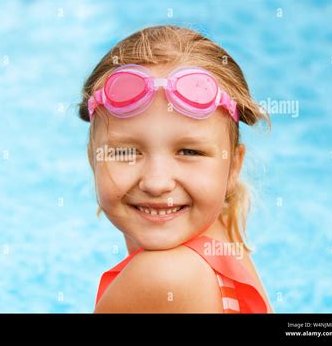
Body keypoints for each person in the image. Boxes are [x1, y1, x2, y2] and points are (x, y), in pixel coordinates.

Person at [78, 25, 272, 313]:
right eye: (126, 152)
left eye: (189, 151)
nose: (156, 183)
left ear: (233, 167)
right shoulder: (222, 241)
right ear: (95, 160)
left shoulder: (161, 276)